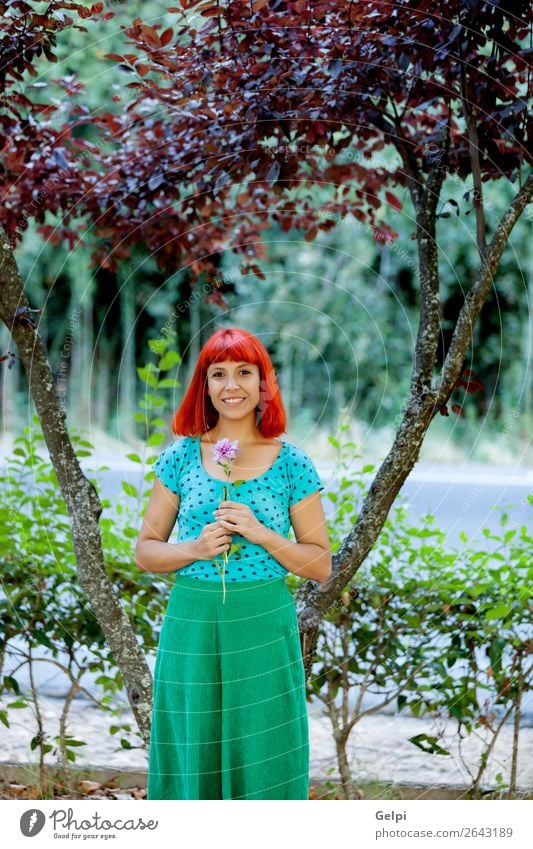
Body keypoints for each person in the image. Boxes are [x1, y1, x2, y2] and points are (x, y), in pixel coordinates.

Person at [136, 325, 331, 800]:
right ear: (204, 386)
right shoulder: (180, 457)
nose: (231, 385)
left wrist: (262, 534)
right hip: (194, 618)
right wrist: (194, 550)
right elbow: (145, 550)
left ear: (263, 383)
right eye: (217, 374)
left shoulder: (292, 462)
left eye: (244, 372)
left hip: (263, 618)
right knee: (192, 743)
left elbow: (320, 564)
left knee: (266, 743)